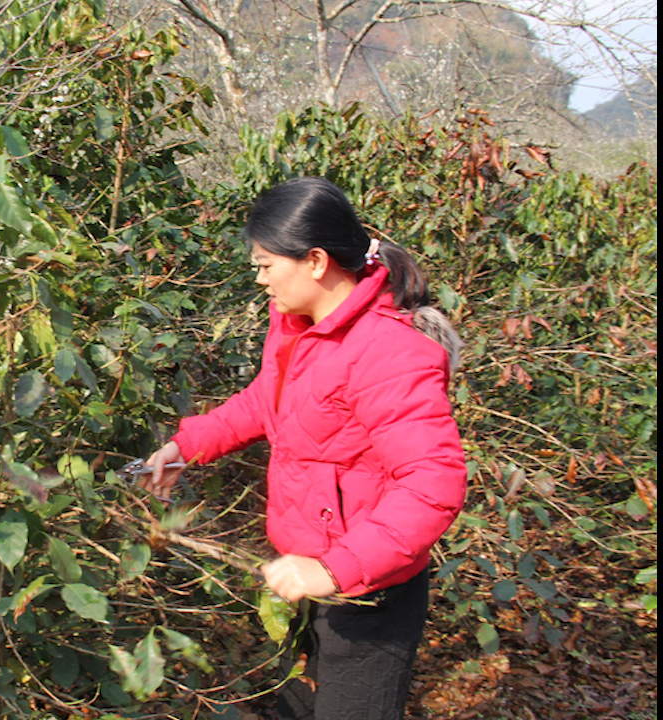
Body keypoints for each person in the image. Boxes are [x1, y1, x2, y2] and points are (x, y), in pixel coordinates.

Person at [142, 177, 467, 719]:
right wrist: (186, 445)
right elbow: (265, 404)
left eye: (267, 264)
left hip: (366, 594)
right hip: (304, 576)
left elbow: (432, 482)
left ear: (315, 261)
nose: (259, 277)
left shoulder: (388, 352)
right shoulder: (298, 327)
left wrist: (337, 569)